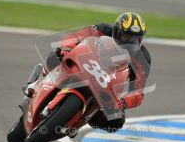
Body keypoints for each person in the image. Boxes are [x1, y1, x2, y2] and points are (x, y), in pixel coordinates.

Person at [23, 12, 151, 133]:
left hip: (109, 86)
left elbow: (138, 94)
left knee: (116, 121)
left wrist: (122, 102)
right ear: (116, 32)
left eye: (136, 39)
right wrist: (67, 47)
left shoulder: (142, 58)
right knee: (55, 54)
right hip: (85, 66)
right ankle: (37, 82)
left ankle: (83, 118)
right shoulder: (102, 29)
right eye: (126, 37)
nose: (130, 43)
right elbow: (75, 37)